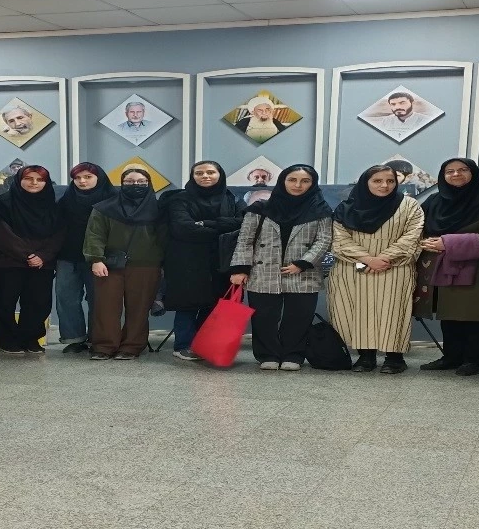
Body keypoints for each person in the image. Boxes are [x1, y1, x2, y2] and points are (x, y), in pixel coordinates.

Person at [414, 158, 479, 376]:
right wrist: (424, 241)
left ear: (473, 173)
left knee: (477, 313)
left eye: (462, 170)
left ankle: (474, 360)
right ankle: (451, 357)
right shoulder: (434, 201)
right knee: (449, 311)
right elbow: (419, 228)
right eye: (449, 171)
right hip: (443, 264)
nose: (456, 174)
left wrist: (447, 243)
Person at [229, 164, 333, 371]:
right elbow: (245, 240)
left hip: (304, 272)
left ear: (313, 184)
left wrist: (303, 263)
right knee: (264, 317)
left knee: (298, 317)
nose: (298, 185)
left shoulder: (321, 210)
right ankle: (267, 354)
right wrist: (240, 269)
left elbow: (324, 240)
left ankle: (293, 355)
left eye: (305, 181)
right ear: (282, 181)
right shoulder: (259, 208)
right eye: (292, 180)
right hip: (263, 270)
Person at [329, 165, 426, 374]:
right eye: (377, 181)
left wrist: (383, 258)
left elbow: (412, 236)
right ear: (365, 183)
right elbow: (339, 240)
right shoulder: (346, 208)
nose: (384, 185)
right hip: (355, 267)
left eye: (390, 181)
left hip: (395, 266)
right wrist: (368, 260)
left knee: (393, 312)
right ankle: (365, 357)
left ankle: (395, 358)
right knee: (358, 311)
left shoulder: (410, 206)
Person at [160, 160, 244, 360]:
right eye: (199, 173)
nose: (205, 176)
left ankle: (205, 345)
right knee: (187, 305)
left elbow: (243, 223)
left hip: (221, 261)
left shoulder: (231, 199)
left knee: (214, 304)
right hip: (186, 261)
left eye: (210, 172)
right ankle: (183, 345)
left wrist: (205, 223)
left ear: (220, 175)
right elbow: (183, 228)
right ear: (193, 176)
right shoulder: (179, 199)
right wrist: (222, 231)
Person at [84, 167, 166, 361]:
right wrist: (96, 259)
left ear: (149, 184)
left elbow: (165, 238)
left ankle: (132, 346)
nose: (135, 185)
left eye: (140, 182)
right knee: (105, 307)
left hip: (146, 265)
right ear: (121, 184)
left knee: (139, 308)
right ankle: (104, 346)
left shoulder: (159, 210)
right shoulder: (104, 208)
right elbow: (94, 235)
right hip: (109, 265)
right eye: (129, 182)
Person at [0, 165, 64, 354]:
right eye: (29, 179)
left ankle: (30, 339)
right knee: (5, 303)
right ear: (19, 180)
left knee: (38, 303)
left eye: (39, 180)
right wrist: (27, 255)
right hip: (7, 261)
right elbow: (0, 232)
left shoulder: (53, 205)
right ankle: (7, 341)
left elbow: (60, 233)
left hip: (42, 264)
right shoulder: (4, 202)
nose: (34, 183)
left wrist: (43, 256)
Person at [55, 163, 116, 353]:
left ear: (99, 178)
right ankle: (75, 338)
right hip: (67, 256)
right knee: (66, 298)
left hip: (100, 258)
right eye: (77, 178)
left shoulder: (112, 199)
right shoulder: (65, 199)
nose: (82, 181)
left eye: (88, 177)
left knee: (98, 299)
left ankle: (97, 338)